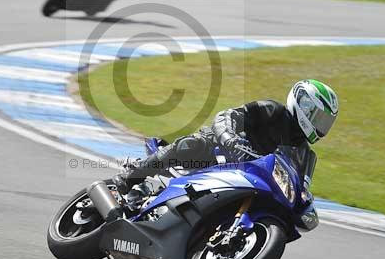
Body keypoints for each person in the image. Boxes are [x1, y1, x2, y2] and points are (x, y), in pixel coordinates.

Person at [113, 79, 339, 194]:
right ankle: (132, 176)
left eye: (325, 122)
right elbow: (228, 116)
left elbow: (300, 185)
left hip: (250, 179)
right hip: (220, 152)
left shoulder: (304, 153)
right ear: (304, 105)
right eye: (318, 117)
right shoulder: (272, 110)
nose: (321, 126)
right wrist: (231, 139)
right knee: (192, 144)